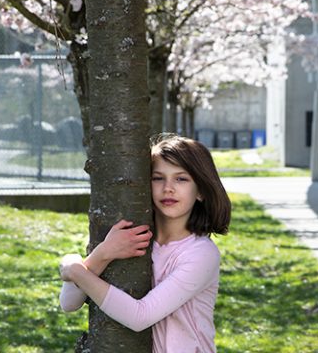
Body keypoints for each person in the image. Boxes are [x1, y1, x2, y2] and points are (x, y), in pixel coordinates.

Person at [59, 135, 232, 353]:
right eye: (158, 178)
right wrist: (103, 253)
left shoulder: (200, 254)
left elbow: (139, 316)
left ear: (200, 191)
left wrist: (73, 268)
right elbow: (69, 303)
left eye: (181, 179)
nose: (168, 188)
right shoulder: (128, 239)